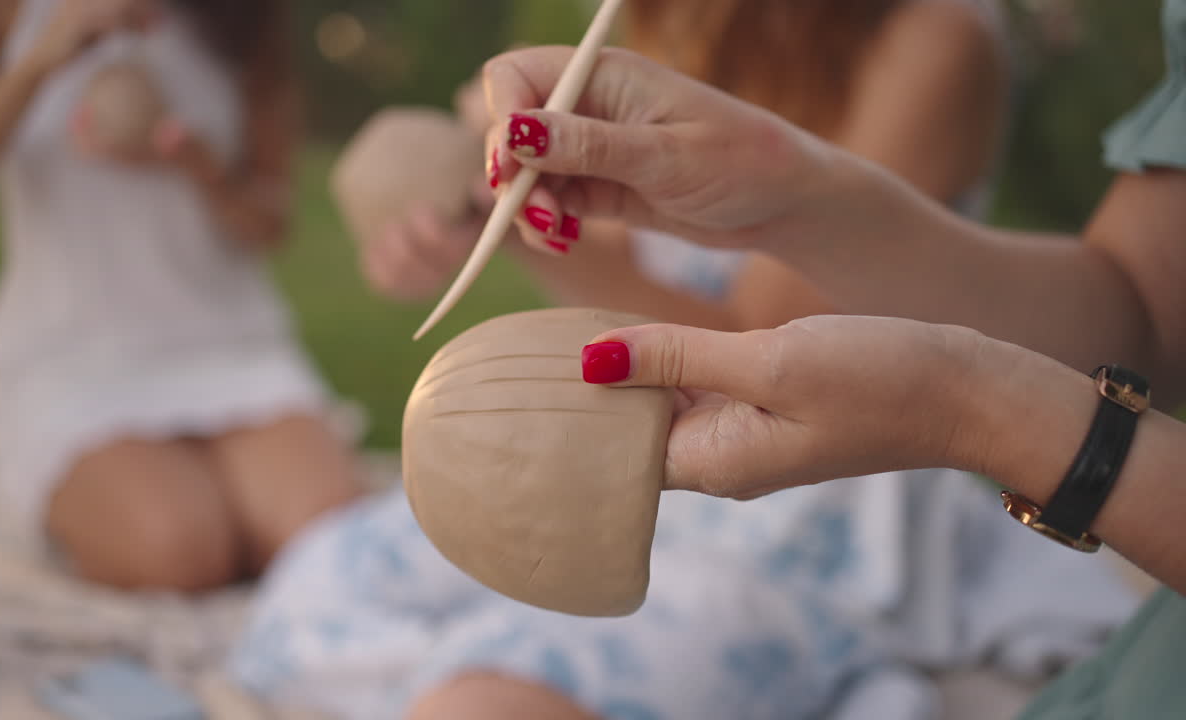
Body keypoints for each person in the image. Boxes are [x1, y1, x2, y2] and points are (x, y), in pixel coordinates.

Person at [447, 0, 1186, 715]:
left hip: (818, 504)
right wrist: (791, 194)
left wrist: (973, 406)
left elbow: (757, 345)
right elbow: (1144, 317)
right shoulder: (665, 25)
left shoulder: (931, 34)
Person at [0, 0, 364, 592]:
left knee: (327, 542)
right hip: (74, 362)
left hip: (230, 351)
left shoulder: (246, 15)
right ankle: (160, 489)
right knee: (181, 554)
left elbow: (271, 223)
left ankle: (206, 485)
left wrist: (194, 163)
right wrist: (39, 63)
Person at [359, 0, 1008, 333]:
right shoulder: (689, 22)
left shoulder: (933, 38)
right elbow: (624, 246)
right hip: (659, 436)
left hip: (815, 488)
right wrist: (489, 205)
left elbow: (763, 352)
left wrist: (535, 241)